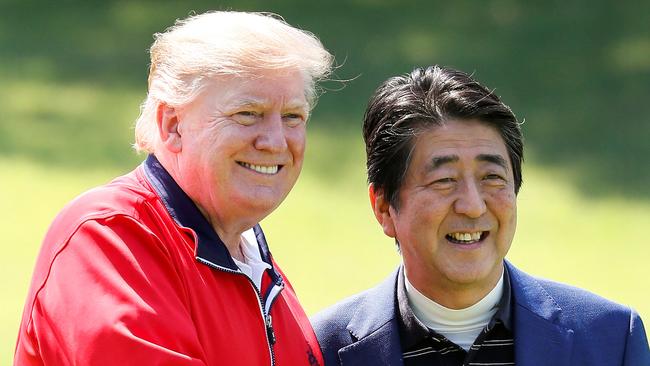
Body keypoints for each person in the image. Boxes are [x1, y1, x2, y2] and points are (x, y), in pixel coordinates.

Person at [15, 11, 332, 365]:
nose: (275, 141)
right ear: (173, 125)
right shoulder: (111, 235)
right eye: (248, 113)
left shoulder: (251, 259)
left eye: (293, 117)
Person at [311, 65, 650, 365]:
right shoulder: (320, 350)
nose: (473, 206)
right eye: (444, 181)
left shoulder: (610, 339)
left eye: (492, 178)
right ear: (384, 207)